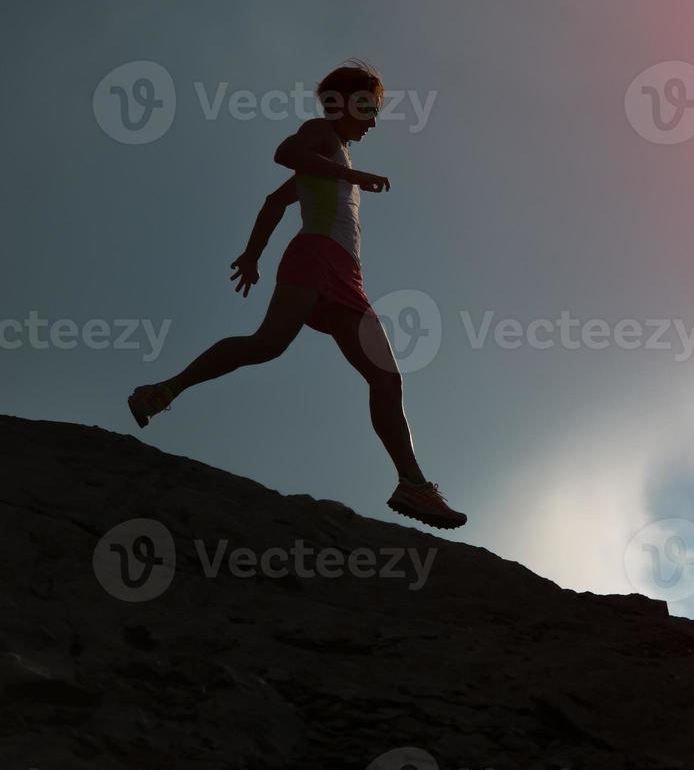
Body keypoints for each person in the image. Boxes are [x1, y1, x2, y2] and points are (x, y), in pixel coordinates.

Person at [127, 61, 468, 530]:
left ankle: (412, 484)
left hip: (345, 276)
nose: (372, 119)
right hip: (314, 257)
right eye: (366, 107)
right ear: (342, 105)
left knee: (386, 378)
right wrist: (354, 178)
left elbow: (274, 201)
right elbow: (285, 152)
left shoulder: (334, 158)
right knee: (267, 344)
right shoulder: (322, 135)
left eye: (375, 109)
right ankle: (161, 391)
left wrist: (252, 256)